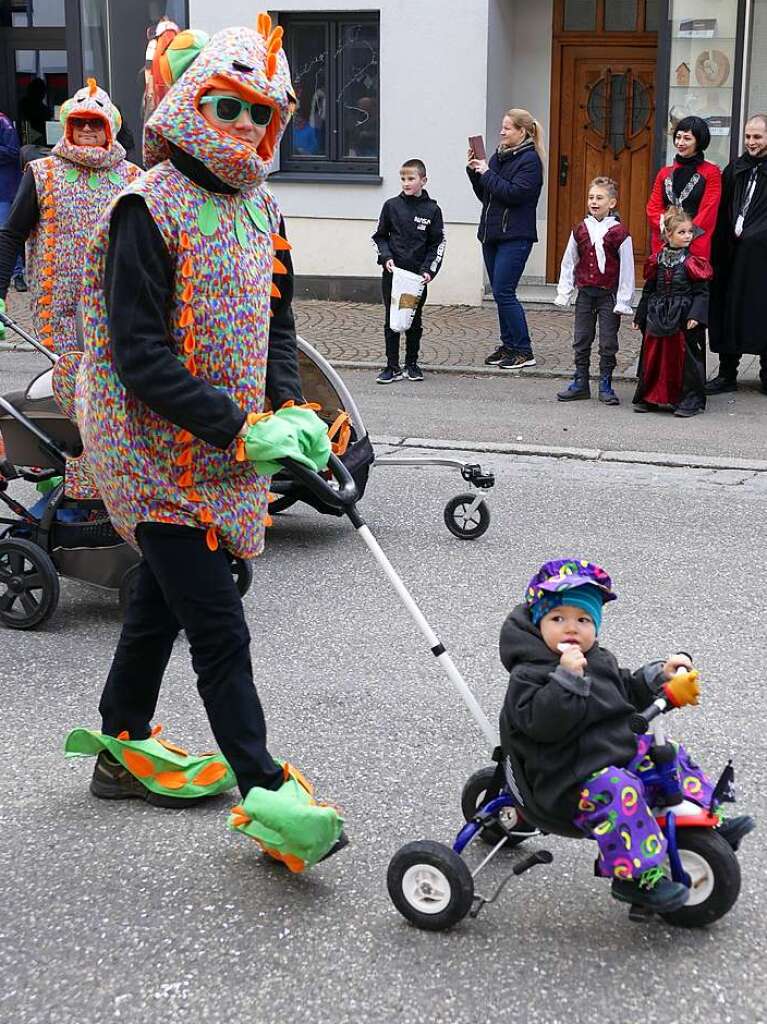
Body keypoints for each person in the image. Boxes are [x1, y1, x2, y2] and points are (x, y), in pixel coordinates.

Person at [70, 18, 346, 873]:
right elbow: (137, 354)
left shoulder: (262, 208)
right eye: (228, 109)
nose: (245, 132)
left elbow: (276, 321)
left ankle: (118, 746)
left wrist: (290, 408)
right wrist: (243, 428)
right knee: (219, 625)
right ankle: (266, 787)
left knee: (157, 600)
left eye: (262, 117)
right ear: (192, 103)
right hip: (145, 450)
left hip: (223, 448)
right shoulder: (141, 206)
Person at [498, 558, 755, 913]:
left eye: (583, 620)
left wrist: (657, 676)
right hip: (564, 776)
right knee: (621, 790)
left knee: (668, 754)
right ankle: (636, 878)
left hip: (610, 753)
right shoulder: (530, 673)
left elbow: (626, 691)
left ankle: (706, 818)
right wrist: (566, 680)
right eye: (558, 619)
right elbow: (542, 724)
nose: (571, 629)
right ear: (538, 623)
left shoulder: (597, 658)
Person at [0, 79, 140, 354]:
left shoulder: (135, 179)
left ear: (110, 127)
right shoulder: (42, 173)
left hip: (119, 309)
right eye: (79, 122)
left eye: (95, 122)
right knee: (63, 388)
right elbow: (12, 233)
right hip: (57, 314)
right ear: (68, 126)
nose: (87, 128)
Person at [467, 108, 544, 370]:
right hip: (492, 234)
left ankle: (524, 350)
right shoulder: (500, 157)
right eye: (502, 127)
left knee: (504, 291)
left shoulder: (530, 161)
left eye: (508, 128)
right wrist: (475, 172)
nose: (501, 132)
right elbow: (488, 195)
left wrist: (487, 173)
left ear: (522, 131)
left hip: (515, 236)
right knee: (501, 294)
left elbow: (513, 194)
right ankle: (509, 345)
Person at [554, 177, 634, 405]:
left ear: (612, 202)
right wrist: (565, 291)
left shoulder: (619, 233)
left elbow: (627, 268)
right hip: (586, 294)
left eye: (599, 198)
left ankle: (605, 383)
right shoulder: (580, 229)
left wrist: (623, 299)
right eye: (591, 197)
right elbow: (569, 261)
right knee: (581, 338)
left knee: (608, 341)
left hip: (608, 294)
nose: (594, 202)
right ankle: (580, 382)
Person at [706, 114, 767, 396]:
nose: (751, 142)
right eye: (748, 137)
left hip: (761, 260)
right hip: (731, 255)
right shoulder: (736, 168)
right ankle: (727, 373)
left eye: (757, 137)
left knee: (760, 311)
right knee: (728, 310)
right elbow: (721, 207)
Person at [632, 208, 711, 417]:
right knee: (655, 356)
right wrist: (640, 315)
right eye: (682, 232)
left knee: (683, 359)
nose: (687, 236)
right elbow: (649, 289)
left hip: (683, 317)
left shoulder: (693, 262)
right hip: (658, 315)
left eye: (689, 232)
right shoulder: (656, 261)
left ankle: (686, 400)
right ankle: (651, 397)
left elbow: (702, 293)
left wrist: (696, 315)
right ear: (668, 234)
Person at [372, 158, 445, 383]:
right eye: (403, 179)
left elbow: (437, 244)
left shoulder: (432, 210)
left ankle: (411, 364)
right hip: (393, 276)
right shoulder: (391, 206)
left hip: (415, 279)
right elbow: (379, 237)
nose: (406, 183)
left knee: (413, 320)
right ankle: (391, 366)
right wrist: (386, 258)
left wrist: (428, 271)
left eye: (411, 179)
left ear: (423, 180)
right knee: (392, 319)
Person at [646, 115, 721, 260]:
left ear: (699, 141)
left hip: (694, 242)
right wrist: (669, 233)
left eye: (687, 138)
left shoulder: (711, 172)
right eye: (678, 137)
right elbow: (653, 208)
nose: (680, 142)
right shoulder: (664, 173)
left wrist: (684, 235)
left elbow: (708, 211)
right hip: (665, 242)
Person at [0, 109, 24, 313]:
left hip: (5, 189)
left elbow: (13, 151)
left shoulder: (3, 122)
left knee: (6, 232)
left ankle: (18, 275)